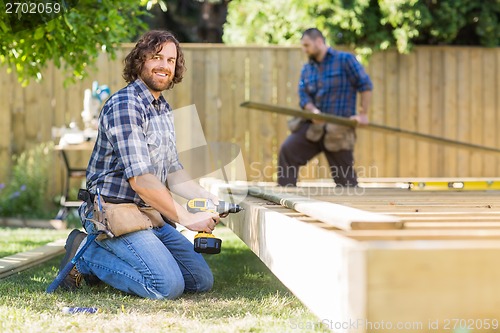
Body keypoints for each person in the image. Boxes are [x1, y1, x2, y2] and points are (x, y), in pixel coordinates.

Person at [56, 30, 220, 299]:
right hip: (113, 211)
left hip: (148, 213)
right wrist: (188, 218)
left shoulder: (162, 109)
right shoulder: (125, 105)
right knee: (167, 286)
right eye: (156, 57)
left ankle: (107, 256)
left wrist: (209, 198)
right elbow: (141, 181)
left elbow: (174, 171)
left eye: (170, 60)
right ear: (140, 61)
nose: (164, 66)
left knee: (199, 280)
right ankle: (87, 254)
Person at [277, 28, 373, 187]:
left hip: (339, 132)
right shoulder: (308, 68)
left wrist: (363, 114)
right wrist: (313, 111)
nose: (304, 49)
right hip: (313, 129)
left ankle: (350, 207)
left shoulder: (345, 60)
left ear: (319, 41)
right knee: (288, 151)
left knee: (346, 183)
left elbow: (365, 84)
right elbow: (304, 96)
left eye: (307, 45)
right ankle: (285, 197)